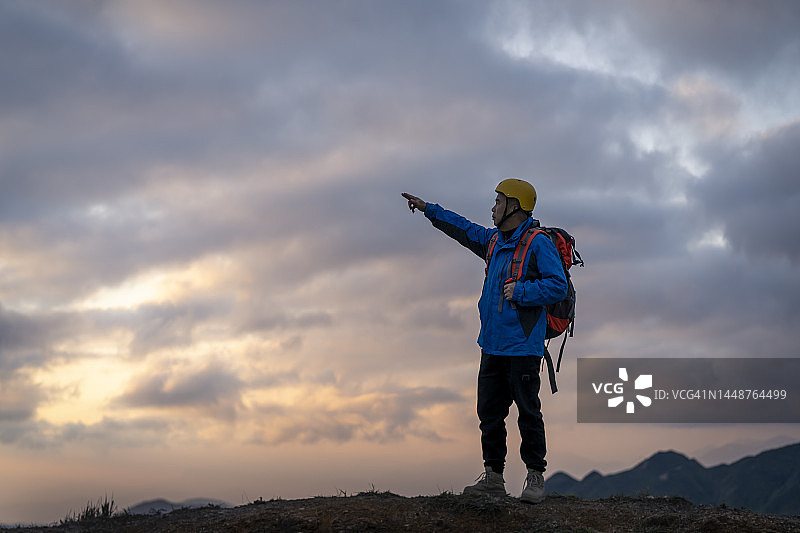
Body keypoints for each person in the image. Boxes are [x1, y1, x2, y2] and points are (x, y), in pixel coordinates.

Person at [401, 179, 567, 504]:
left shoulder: (538, 243)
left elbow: (557, 286)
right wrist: (427, 209)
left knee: (528, 412)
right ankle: (494, 478)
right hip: (491, 344)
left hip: (522, 347)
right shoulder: (493, 241)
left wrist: (521, 291)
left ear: (514, 206)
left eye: (498, 201)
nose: (493, 207)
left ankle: (535, 476)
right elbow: (461, 227)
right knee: (489, 415)